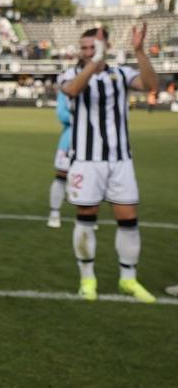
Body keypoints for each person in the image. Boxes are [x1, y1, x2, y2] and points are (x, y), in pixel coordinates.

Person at [58, 25, 157, 303]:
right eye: (85, 48)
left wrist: (138, 51)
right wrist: (94, 62)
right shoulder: (69, 73)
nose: (88, 52)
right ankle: (87, 279)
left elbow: (151, 85)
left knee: (128, 221)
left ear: (107, 47)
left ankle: (128, 280)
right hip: (86, 162)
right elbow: (74, 90)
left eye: (94, 47)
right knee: (86, 219)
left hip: (120, 160)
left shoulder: (121, 74)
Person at [46, 91, 71, 229]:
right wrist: (82, 117)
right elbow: (62, 114)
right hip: (70, 140)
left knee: (92, 177)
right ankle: (54, 213)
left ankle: (89, 217)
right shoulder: (67, 85)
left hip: (94, 141)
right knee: (61, 176)